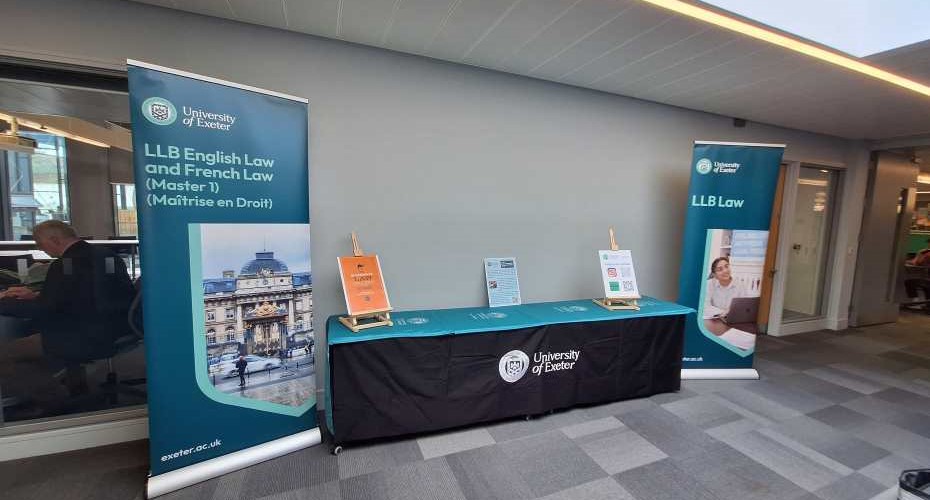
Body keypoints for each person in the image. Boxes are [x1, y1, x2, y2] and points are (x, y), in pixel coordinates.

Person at [0, 220, 135, 397]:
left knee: (5, 354)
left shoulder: (65, 265)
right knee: (30, 346)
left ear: (55, 240)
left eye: (40, 244)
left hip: (81, 335)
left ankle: (55, 399)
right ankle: (77, 389)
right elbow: (81, 297)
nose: (41, 249)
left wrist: (5, 303)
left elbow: (44, 309)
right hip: (115, 328)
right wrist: (36, 296)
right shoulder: (107, 255)